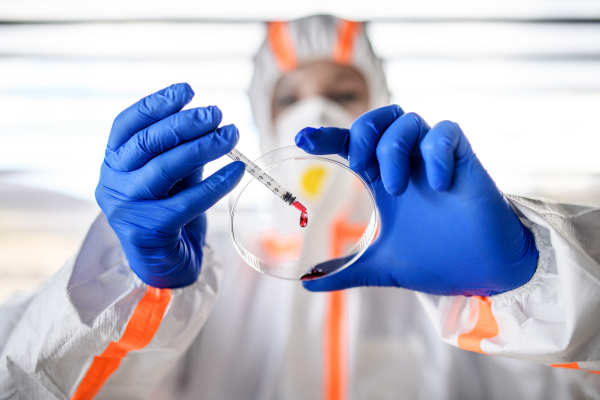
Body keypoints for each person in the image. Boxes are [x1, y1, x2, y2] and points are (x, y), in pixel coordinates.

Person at [2, 15, 600, 400]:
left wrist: (534, 283)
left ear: (379, 102)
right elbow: (31, 379)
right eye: (290, 96)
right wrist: (134, 287)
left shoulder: (445, 267)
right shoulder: (205, 272)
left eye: (344, 94)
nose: (314, 113)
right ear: (264, 117)